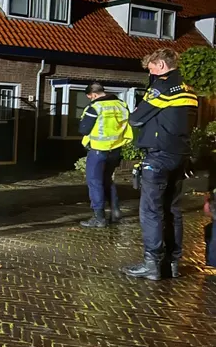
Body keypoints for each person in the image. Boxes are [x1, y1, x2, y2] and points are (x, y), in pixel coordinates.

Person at [124, 48, 199, 281]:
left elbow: (135, 118)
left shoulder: (162, 88)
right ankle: (172, 263)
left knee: (151, 211)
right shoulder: (189, 89)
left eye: (152, 68)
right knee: (172, 210)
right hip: (181, 156)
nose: (151, 73)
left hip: (159, 156)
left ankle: (152, 264)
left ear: (162, 65)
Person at [77, 83, 134, 228]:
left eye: (90, 97)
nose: (90, 100)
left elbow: (84, 129)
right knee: (107, 179)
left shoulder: (95, 107)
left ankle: (99, 218)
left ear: (93, 95)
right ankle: (115, 212)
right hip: (115, 150)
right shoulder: (121, 105)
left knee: (95, 182)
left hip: (98, 150)